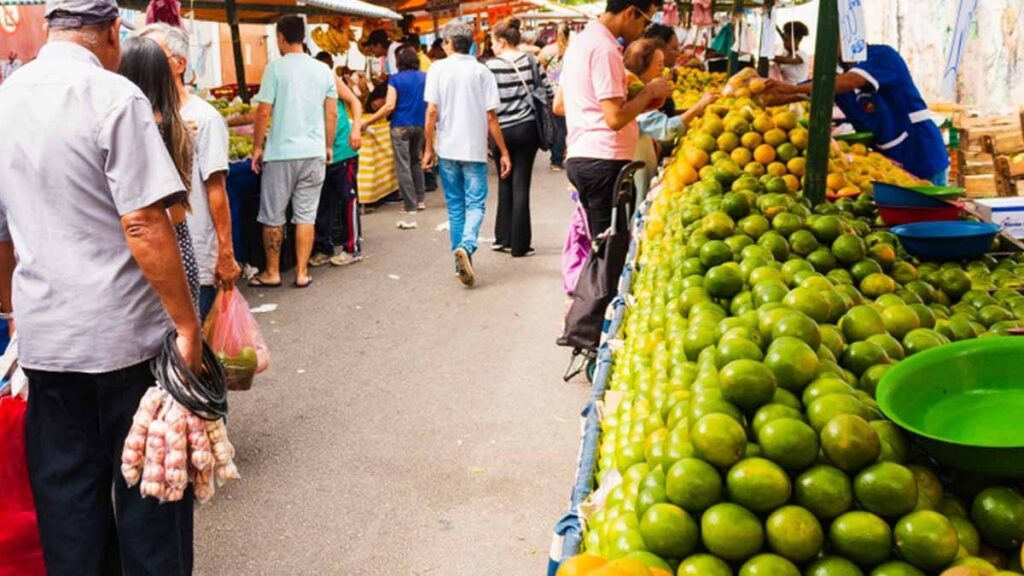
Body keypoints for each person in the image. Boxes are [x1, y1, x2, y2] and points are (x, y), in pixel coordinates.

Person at [0, 0, 201, 572]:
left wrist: (16, 312)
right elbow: (143, 222)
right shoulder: (114, 95)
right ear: (113, 32)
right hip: (125, 343)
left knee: (68, 506)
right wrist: (187, 326)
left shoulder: (5, 100)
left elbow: (0, 232)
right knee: (150, 497)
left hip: (47, 344)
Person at [139, 23, 240, 321]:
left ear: (180, 63)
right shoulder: (138, 115)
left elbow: (216, 188)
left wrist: (225, 253)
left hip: (195, 248)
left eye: (155, 55)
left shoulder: (204, 117)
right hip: (154, 254)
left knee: (196, 347)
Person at [559, 0, 672, 237]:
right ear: (631, 12)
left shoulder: (580, 42)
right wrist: (649, 91)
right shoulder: (605, 49)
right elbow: (614, 118)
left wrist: (638, 104)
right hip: (604, 160)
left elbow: (561, 104)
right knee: (607, 250)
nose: (645, 29)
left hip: (583, 155)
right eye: (646, 20)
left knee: (598, 244)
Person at [763, 43, 950, 184]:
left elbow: (851, 81)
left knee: (930, 211)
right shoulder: (840, 77)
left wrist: (787, 88)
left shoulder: (882, 56)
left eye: (834, 39)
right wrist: (760, 95)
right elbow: (801, 90)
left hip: (921, 151)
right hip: (889, 162)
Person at [250, 15, 338, 289]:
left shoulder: (275, 69)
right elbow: (332, 112)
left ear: (280, 37)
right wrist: (327, 145)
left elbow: (263, 110)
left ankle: (273, 272)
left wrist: (256, 147)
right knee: (305, 215)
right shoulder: (323, 70)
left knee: (273, 215)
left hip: (281, 154)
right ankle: (301, 273)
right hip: (313, 153)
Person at [423, 20, 511, 287]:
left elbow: (431, 112)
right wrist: (503, 152)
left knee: (456, 206)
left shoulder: (437, 69)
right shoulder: (481, 71)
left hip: (447, 148)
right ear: (470, 44)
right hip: (474, 149)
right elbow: (492, 117)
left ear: (448, 43)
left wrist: (428, 148)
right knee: (475, 204)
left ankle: (459, 259)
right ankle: (468, 246)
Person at [118, 36, 200, 308]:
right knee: (185, 336)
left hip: (149, 249)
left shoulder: (136, 132)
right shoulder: (178, 127)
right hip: (179, 243)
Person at [485, 17, 551, 257]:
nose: (491, 47)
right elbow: (548, 91)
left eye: (492, 42)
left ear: (502, 42)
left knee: (504, 181)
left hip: (500, 130)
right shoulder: (531, 61)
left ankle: (503, 238)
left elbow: (487, 105)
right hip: (526, 128)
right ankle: (520, 244)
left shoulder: (490, 67)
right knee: (521, 182)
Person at [311, 51, 364, 268]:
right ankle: (324, 247)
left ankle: (353, 248)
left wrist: (356, 129)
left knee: (347, 198)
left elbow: (354, 101)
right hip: (319, 151)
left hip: (343, 149)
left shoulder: (328, 77)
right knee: (322, 201)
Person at [363, 46, 427, 216]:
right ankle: (420, 200)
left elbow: (389, 106)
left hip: (400, 126)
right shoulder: (424, 77)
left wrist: (368, 121)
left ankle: (410, 205)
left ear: (399, 62)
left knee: (403, 165)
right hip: (419, 125)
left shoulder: (395, 79)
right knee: (415, 162)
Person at [539, 24, 570, 171]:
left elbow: (540, 67)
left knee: (553, 127)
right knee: (563, 128)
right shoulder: (573, 51)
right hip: (566, 93)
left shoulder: (547, 50)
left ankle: (556, 157)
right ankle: (558, 159)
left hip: (549, 93)